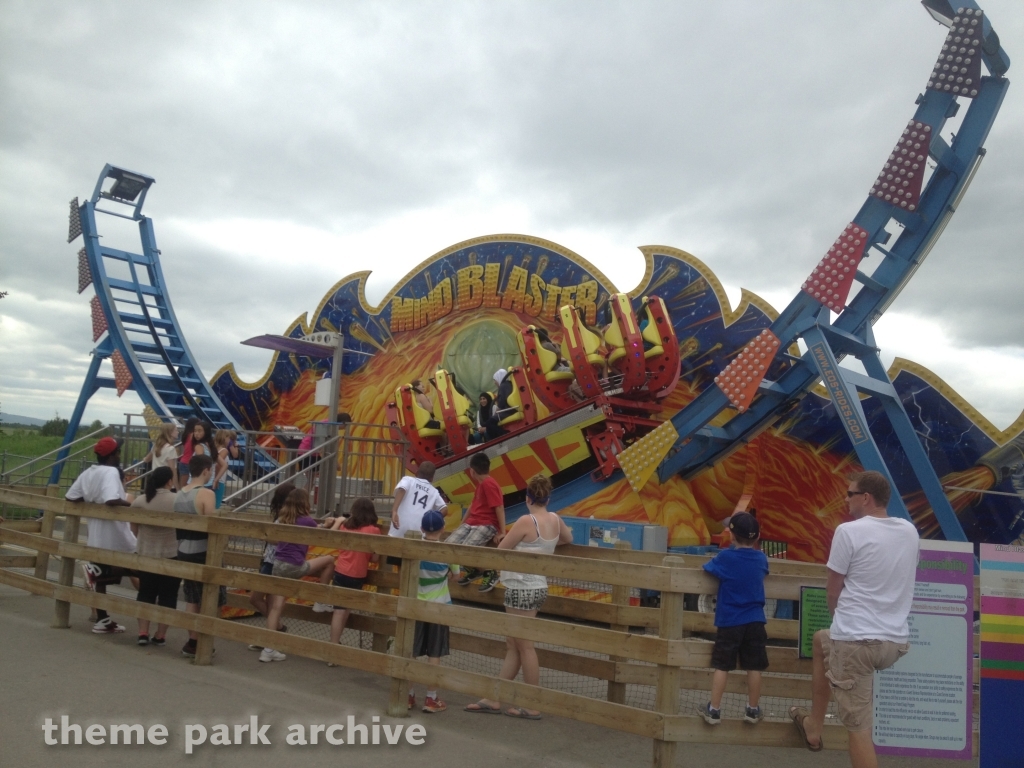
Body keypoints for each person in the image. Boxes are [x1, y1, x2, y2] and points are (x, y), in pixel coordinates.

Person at [790, 471, 919, 768]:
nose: (845, 499)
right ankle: (814, 726)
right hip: (893, 642)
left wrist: (842, 623)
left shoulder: (848, 532)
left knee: (858, 727)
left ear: (866, 498)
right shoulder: (909, 531)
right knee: (822, 640)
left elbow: (833, 589)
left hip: (857, 642)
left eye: (850, 494)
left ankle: (815, 729)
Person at [465, 474, 572, 718]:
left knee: (524, 645)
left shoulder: (526, 521)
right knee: (514, 644)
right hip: (537, 585)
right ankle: (495, 697)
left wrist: (502, 538)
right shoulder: (555, 519)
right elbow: (568, 539)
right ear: (547, 497)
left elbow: (502, 550)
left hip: (520, 586)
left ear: (528, 498)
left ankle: (532, 703)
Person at [697, 512, 769, 725]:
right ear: (756, 537)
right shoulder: (761, 558)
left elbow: (708, 568)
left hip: (730, 620)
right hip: (756, 620)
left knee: (723, 665)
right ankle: (753, 709)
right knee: (754, 666)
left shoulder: (726, 558)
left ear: (731, 535)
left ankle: (714, 710)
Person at [65, 436, 136, 634]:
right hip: (116, 533)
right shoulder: (112, 472)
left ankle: (102, 619)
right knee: (139, 568)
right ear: (112, 455)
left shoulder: (89, 472)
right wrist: (133, 505)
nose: (120, 455)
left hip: (97, 534)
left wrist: (90, 500)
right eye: (118, 452)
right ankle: (147, 623)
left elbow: (71, 496)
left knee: (101, 578)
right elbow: (112, 500)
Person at [260, 488, 336, 663]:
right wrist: (335, 522)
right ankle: (320, 600)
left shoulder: (283, 519)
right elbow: (323, 534)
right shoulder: (306, 520)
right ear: (304, 503)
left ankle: (268, 649)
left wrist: (324, 524)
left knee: (276, 607)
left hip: (278, 566)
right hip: (295, 567)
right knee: (330, 560)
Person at [410, 509, 458, 714]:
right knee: (435, 652)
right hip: (439, 606)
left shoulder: (415, 549)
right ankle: (431, 698)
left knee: (410, 651)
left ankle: (408, 694)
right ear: (443, 528)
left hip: (416, 605)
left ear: (421, 528)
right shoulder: (448, 551)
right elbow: (456, 575)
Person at [174, 454, 222, 659]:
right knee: (213, 597)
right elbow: (211, 523)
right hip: (204, 550)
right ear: (205, 471)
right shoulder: (205, 494)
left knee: (192, 597)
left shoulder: (179, 493)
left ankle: (192, 639)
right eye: (210, 471)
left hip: (184, 548)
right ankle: (204, 639)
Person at [130, 467, 181, 646]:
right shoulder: (177, 500)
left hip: (146, 552)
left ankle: (142, 632)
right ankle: (160, 635)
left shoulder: (140, 500)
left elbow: (133, 528)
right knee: (168, 595)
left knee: (146, 592)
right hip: (171, 553)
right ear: (169, 481)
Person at [325, 498, 382, 657]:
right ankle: (334, 646)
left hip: (341, 571)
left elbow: (330, 538)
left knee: (339, 611)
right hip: (358, 575)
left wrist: (338, 521)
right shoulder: (374, 531)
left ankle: (334, 645)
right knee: (345, 610)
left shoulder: (345, 526)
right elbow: (375, 559)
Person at [246, 482, 296, 652]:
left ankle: (270, 640)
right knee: (256, 598)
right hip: (268, 560)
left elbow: (283, 540)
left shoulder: (292, 518)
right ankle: (277, 629)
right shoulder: (280, 515)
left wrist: (266, 537)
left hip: (278, 563)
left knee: (273, 603)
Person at [452, 452, 505, 592]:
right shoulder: (481, 485)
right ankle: (476, 570)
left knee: (466, 549)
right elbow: (472, 505)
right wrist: (461, 525)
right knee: (449, 546)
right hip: (472, 522)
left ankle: (489, 571)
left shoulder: (489, 484)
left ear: (472, 471)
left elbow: (499, 507)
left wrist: (502, 531)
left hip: (486, 523)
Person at [388, 462, 446, 543]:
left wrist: (394, 511)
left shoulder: (408, 479)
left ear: (417, 472)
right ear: (432, 478)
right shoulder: (434, 491)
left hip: (399, 527)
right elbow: (444, 509)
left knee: (393, 550)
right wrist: (431, 520)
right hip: (419, 531)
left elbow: (402, 489)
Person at [146, 422, 179, 490]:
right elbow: (172, 469)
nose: (178, 432)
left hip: (156, 480)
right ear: (170, 433)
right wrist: (177, 487)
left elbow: (147, 459)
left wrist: (144, 459)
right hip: (167, 483)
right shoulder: (171, 449)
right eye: (176, 430)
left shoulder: (156, 445)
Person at [485, 369, 515, 440]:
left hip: (508, 410)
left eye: (495, 380)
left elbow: (502, 403)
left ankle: (505, 435)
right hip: (511, 408)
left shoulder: (503, 386)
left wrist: (497, 409)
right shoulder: (509, 384)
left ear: (499, 377)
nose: (495, 382)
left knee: (489, 423)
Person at [211, 429, 235, 508]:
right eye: (228, 438)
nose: (229, 440)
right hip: (219, 479)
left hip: (211, 477)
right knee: (216, 504)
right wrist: (216, 479)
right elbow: (218, 465)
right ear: (224, 438)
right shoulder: (224, 450)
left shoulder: (213, 449)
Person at [177, 417, 199, 486]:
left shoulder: (186, 435)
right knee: (185, 485)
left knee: (183, 485)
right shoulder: (193, 435)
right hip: (188, 462)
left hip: (184, 460)